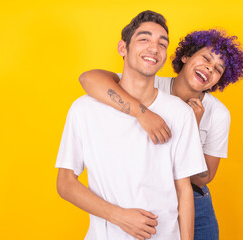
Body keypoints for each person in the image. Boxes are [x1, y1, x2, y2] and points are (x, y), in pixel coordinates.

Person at [79, 29, 243, 240]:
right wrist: (143, 113)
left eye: (218, 70)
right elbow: (89, 79)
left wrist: (191, 130)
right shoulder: (151, 84)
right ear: (186, 56)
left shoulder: (219, 114)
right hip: (149, 199)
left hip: (195, 204)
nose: (209, 68)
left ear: (218, 82)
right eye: (205, 58)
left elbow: (203, 179)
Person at [56, 10, 207, 240]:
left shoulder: (180, 113)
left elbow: (184, 190)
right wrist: (118, 216)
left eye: (162, 43)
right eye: (144, 39)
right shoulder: (84, 109)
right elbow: (65, 183)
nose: (154, 48)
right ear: (122, 49)